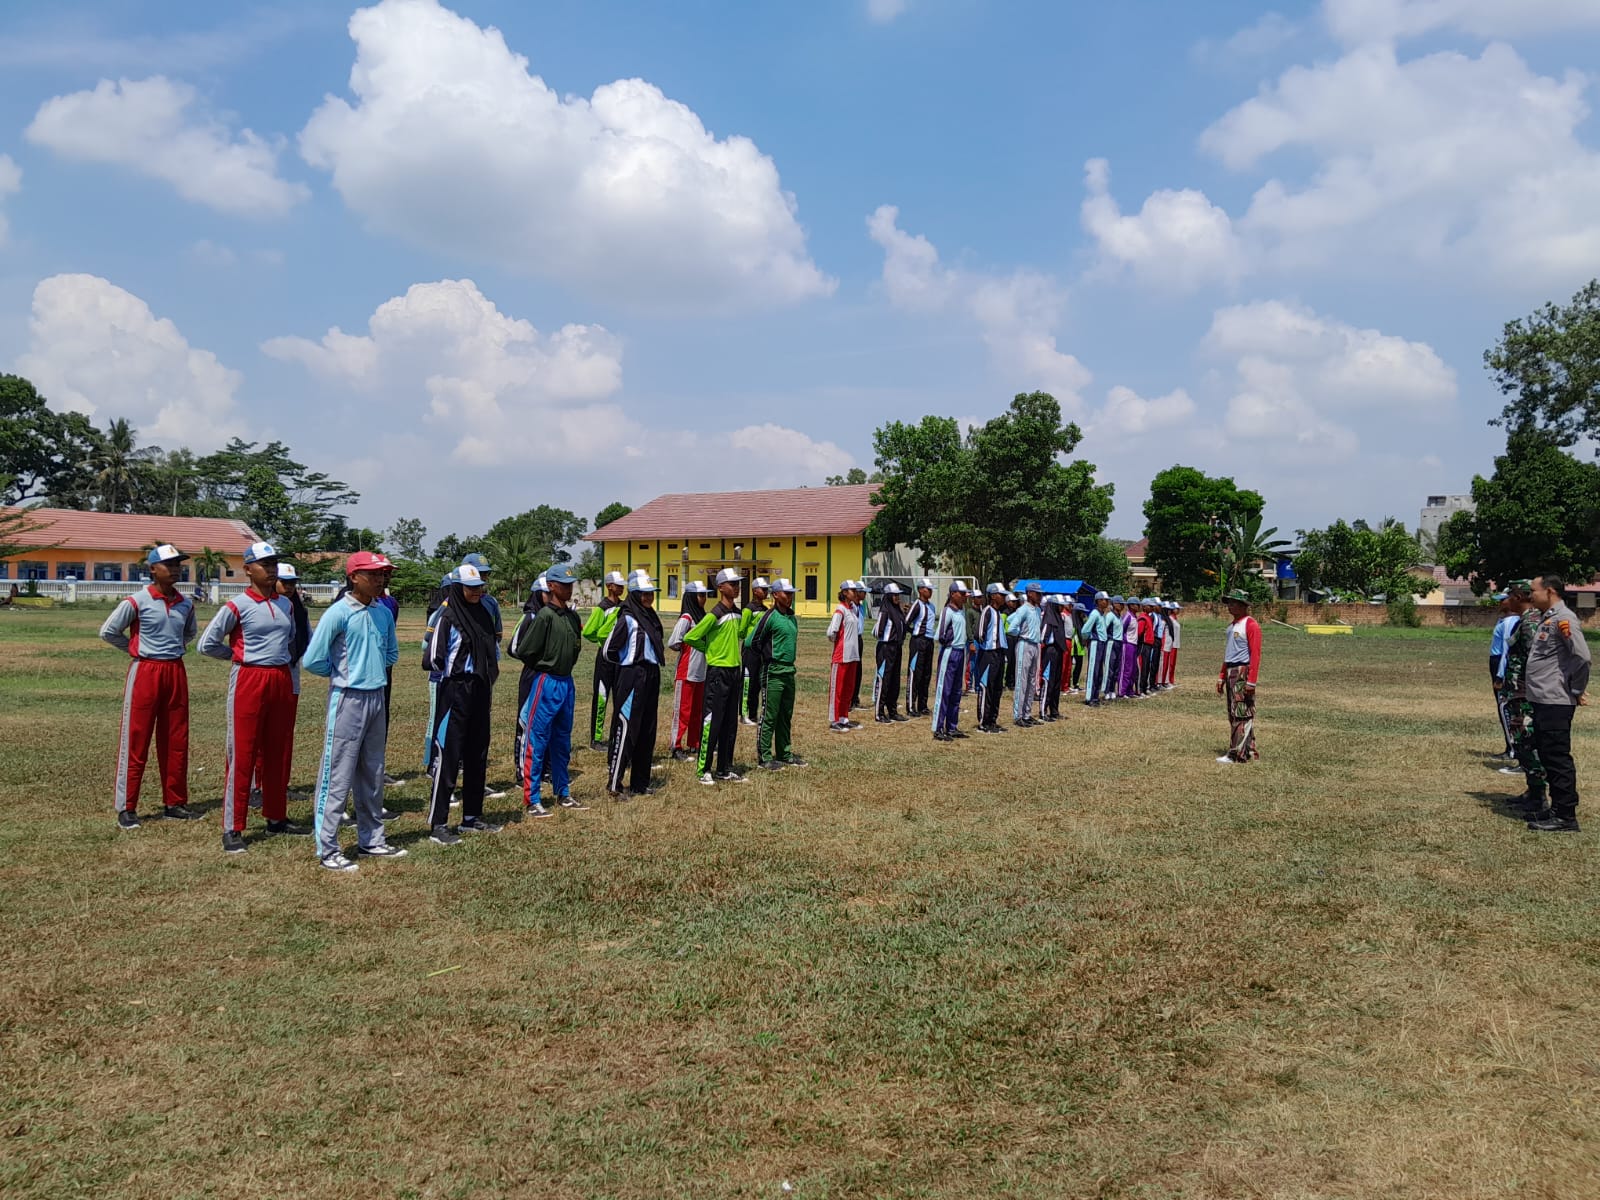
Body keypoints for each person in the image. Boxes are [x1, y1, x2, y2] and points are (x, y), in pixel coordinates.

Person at [199, 540, 306, 854]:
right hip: (249, 677)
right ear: (247, 569)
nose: (271, 570)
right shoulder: (237, 605)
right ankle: (234, 826)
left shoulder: (286, 604)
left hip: (281, 677)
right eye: (265, 564)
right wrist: (238, 656)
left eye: (274, 564)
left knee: (277, 750)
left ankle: (276, 816)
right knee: (243, 753)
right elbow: (206, 643)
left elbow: (291, 641)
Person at [304, 551, 403, 870]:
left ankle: (371, 839)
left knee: (372, 772)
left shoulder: (383, 612)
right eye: (373, 574)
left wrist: (371, 671)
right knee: (337, 773)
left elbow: (391, 653)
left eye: (384, 574)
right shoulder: (339, 613)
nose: (380, 580)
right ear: (354, 577)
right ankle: (327, 846)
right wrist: (345, 674)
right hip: (347, 698)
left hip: (376, 696)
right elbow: (313, 659)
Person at [100, 543, 202, 829]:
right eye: (168, 565)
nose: (174, 569)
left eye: (178, 565)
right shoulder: (137, 601)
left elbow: (190, 632)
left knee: (176, 739)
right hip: (145, 671)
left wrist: (175, 647)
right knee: (136, 738)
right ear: (152, 570)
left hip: (175, 671)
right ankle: (127, 806)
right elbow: (108, 631)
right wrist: (135, 650)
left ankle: (175, 802)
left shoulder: (185, 603)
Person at [424, 562, 503, 841]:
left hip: (480, 689)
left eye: (479, 587)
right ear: (457, 589)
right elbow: (433, 658)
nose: (476, 592)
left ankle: (471, 817)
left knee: (477, 753)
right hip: (455, 690)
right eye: (470, 588)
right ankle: (439, 824)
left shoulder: (483, 613)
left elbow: (492, 648)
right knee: (448, 755)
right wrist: (458, 672)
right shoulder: (446, 616)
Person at [509, 564, 585, 817]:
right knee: (537, 739)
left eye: (570, 584)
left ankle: (563, 792)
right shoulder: (544, 617)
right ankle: (532, 798)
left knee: (563, 741)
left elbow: (576, 648)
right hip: (546, 681)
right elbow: (526, 650)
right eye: (563, 585)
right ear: (551, 586)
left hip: (566, 682)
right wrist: (546, 664)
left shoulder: (572, 617)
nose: (568, 588)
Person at [1524, 574, 1591, 833]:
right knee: (1548, 755)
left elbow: (1582, 657)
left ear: (1549, 591)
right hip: (1543, 698)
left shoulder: (1564, 619)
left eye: (1534, 591)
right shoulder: (1548, 618)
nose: (1531, 596)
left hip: (1556, 700)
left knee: (1557, 757)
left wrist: (1575, 688)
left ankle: (1565, 815)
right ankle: (1556, 809)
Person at [603, 570, 664, 799]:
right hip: (633, 675)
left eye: (651, 594)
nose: (649, 598)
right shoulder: (627, 617)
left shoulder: (651, 617)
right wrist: (626, 663)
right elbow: (608, 650)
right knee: (627, 727)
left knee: (647, 729)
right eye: (644, 594)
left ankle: (640, 782)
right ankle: (615, 783)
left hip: (652, 674)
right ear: (635, 595)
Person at [685, 567, 747, 784]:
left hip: (734, 671)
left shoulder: (737, 613)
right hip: (717, 673)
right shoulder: (715, 614)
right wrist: (709, 649)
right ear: (721, 587)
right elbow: (691, 637)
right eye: (733, 584)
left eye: (738, 583)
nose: (737, 587)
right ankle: (703, 769)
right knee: (712, 721)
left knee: (730, 723)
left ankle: (724, 768)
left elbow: (740, 635)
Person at [748, 578, 806, 769]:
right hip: (772, 672)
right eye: (786, 593)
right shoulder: (769, 616)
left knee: (785, 715)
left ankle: (784, 753)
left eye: (791, 593)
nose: (790, 597)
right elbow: (751, 642)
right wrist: (765, 658)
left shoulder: (791, 617)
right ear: (775, 595)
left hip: (789, 671)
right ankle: (764, 757)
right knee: (769, 715)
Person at [1498, 581, 1546, 812]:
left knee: (1527, 742)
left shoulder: (1531, 623)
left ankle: (1539, 796)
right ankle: (1532, 791)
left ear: (1519, 596)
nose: (1507, 600)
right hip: (1518, 692)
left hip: (1526, 693)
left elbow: (1534, 660)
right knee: (1522, 741)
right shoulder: (1525, 621)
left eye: (1510, 595)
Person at [510, 574, 549, 786]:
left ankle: (543, 768)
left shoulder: (550, 615)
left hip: (548, 677)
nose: (551, 596)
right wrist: (536, 658)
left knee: (546, 723)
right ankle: (521, 771)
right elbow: (514, 648)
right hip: (531, 675)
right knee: (525, 723)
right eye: (547, 593)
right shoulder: (530, 617)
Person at [583, 570, 626, 751]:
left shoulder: (625, 606)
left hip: (620, 658)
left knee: (619, 697)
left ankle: (615, 734)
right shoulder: (602, 607)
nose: (621, 588)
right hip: (605, 658)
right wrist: (604, 641)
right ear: (609, 586)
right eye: (618, 585)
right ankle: (596, 738)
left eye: (623, 585)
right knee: (601, 697)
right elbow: (588, 631)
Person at [1217, 589, 1262, 763]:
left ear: (1243, 606)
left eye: (1234, 602)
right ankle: (1249, 749)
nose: (1230, 606)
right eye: (1229, 602)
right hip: (1231, 670)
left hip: (1242, 671)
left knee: (1241, 713)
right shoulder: (1231, 627)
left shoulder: (1250, 625)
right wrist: (1221, 676)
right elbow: (1228, 653)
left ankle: (1237, 754)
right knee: (1234, 712)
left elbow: (1255, 654)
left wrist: (1251, 681)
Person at [668, 581, 710, 762]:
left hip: (701, 672)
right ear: (692, 597)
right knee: (682, 711)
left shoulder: (704, 617)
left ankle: (694, 743)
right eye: (701, 595)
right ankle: (676, 746)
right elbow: (673, 642)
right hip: (686, 672)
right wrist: (687, 649)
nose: (704, 599)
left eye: (705, 595)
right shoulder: (686, 618)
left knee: (696, 711)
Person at [932, 582, 971, 741]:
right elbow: (939, 635)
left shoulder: (961, 611)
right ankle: (938, 727)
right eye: (962, 595)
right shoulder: (947, 611)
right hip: (950, 652)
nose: (964, 598)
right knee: (944, 691)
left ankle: (952, 726)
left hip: (961, 652)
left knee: (956, 691)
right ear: (953, 594)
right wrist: (950, 641)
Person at [825, 580, 863, 732]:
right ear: (845, 592)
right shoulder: (840, 610)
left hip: (853, 655)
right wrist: (840, 641)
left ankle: (843, 717)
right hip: (841, 655)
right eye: (852, 590)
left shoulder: (853, 610)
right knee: (838, 689)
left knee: (848, 688)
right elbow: (831, 632)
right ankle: (834, 720)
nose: (855, 593)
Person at [872, 582, 910, 722]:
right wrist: (887, 636)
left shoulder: (897, 610)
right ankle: (879, 712)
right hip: (886, 648)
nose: (897, 597)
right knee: (884, 679)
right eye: (894, 595)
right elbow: (877, 631)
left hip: (897, 647)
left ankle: (892, 710)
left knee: (895, 680)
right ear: (888, 596)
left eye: (898, 595)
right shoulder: (885, 610)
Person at [975, 583, 1009, 733]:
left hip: (999, 653)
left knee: (997, 688)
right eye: (1001, 595)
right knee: (986, 687)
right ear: (993, 596)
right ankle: (983, 722)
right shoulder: (987, 611)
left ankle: (992, 720)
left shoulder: (998, 613)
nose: (1004, 598)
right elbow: (979, 633)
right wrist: (985, 647)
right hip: (989, 653)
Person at [1489, 592, 1518, 758]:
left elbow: (1507, 651)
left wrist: (1500, 675)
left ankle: (1512, 748)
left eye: (1503, 601)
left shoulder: (1510, 622)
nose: (1500, 604)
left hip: (1500, 663)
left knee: (1505, 707)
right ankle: (1510, 746)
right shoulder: (1503, 620)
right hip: (1496, 661)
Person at [1011, 583, 1043, 726]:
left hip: (1035, 645)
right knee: (1022, 680)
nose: (1040, 596)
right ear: (1030, 593)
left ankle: (1027, 713)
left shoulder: (1037, 610)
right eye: (1037, 593)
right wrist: (1022, 634)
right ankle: (1018, 715)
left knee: (1031, 681)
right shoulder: (1023, 609)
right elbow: (1011, 626)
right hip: (1025, 643)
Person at [740, 576, 771, 727]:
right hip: (749, 650)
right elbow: (741, 630)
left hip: (761, 650)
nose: (766, 592)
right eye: (763, 589)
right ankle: (744, 714)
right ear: (754, 591)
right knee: (747, 682)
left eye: (767, 590)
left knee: (757, 684)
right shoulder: (748, 609)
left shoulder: (765, 610)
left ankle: (753, 714)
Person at [904, 578, 937, 716]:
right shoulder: (917, 605)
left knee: (926, 674)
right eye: (927, 589)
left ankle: (922, 705)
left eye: (931, 590)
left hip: (929, 641)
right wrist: (914, 632)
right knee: (915, 673)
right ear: (921, 590)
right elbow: (906, 621)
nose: (930, 592)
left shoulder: (932, 606)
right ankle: (911, 706)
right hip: (919, 641)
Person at [1081, 592, 1114, 706]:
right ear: (1098, 601)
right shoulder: (1095, 614)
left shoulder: (1102, 614)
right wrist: (1088, 639)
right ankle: (1089, 698)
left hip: (1102, 644)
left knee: (1099, 671)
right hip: (1096, 643)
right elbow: (1085, 630)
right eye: (1104, 600)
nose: (1106, 602)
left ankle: (1095, 696)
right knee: (1093, 671)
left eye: (1107, 600)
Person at [1038, 594, 1067, 722]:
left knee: (1056, 682)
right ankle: (1043, 711)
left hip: (1058, 650)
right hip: (1050, 651)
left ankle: (1054, 710)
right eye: (1060, 606)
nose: (1062, 608)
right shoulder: (1048, 618)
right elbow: (1043, 635)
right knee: (1048, 681)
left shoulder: (1059, 618)